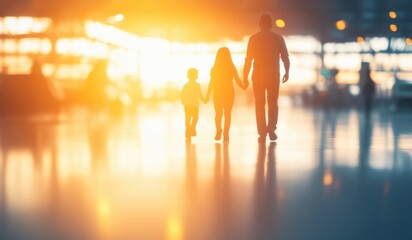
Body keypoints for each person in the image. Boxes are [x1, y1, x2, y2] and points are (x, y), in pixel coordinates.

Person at [243, 14, 290, 143]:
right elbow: (285, 56)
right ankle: (271, 128)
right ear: (271, 24)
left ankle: (262, 132)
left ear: (260, 24)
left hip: (258, 75)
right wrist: (287, 71)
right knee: (273, 103)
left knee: (259, 104)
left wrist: (244, 76)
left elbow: (248, 60)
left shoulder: (253, 39)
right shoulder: (278, 38)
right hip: (273, 75)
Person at [206, 47, 245, 142]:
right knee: (227, 114)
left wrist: (208, 94)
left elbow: (212, 82)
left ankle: (219, 129)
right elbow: (237, 80)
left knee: (218, 114)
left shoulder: (214, 68)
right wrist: (244, 86)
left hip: (218, 92)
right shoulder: (231, 67)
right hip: (229, 92)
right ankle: (226, 134)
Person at [181, 68, 206, 140]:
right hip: (194, 104)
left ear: (188, 76)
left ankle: (188, 131)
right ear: (196, 76)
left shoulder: (185, 85)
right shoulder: (197, 85)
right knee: (195, 118)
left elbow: (182, 94)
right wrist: (204, 100)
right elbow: (200, 95)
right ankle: (192, 128)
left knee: (187, 118)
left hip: (187, 104)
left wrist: (183, 101)